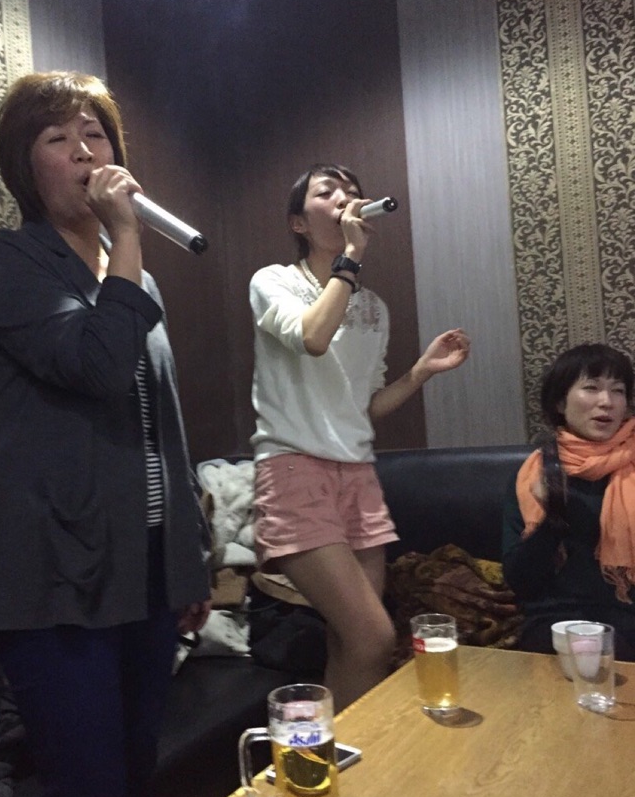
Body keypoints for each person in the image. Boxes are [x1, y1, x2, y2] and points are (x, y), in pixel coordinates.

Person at [0, 71, 211, 797]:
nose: (84, 152)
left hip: (142, 574)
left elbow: (164, 425)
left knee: (135, 789)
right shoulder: (11, 262)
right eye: (58, 138)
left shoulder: (132, 280)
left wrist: (187, 561)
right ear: (25, 165)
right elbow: (98, 367)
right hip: (56, 580)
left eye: (96, 135)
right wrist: (128, 240)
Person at [249, 162, 470, 712]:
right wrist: (349, 259)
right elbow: (312, 337)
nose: (345, 199)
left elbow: (366, 406)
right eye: (327, 193)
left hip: (358, 474)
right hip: (294, 469)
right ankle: (335, 752)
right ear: (299, 223)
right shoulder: (273, 281)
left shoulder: (373, 308)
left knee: (352, 640)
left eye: (352, 192)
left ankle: (342, 753)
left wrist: (419, 373)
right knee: (374, 635)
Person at [502, 342, 635, 660]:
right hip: (558, 622)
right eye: (591, 388)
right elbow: (523, 582)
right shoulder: (535, 476)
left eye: (617, 391)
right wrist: (552, 518)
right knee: (594, 654)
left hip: (629, 616)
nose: (606, 402)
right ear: (561, 402)